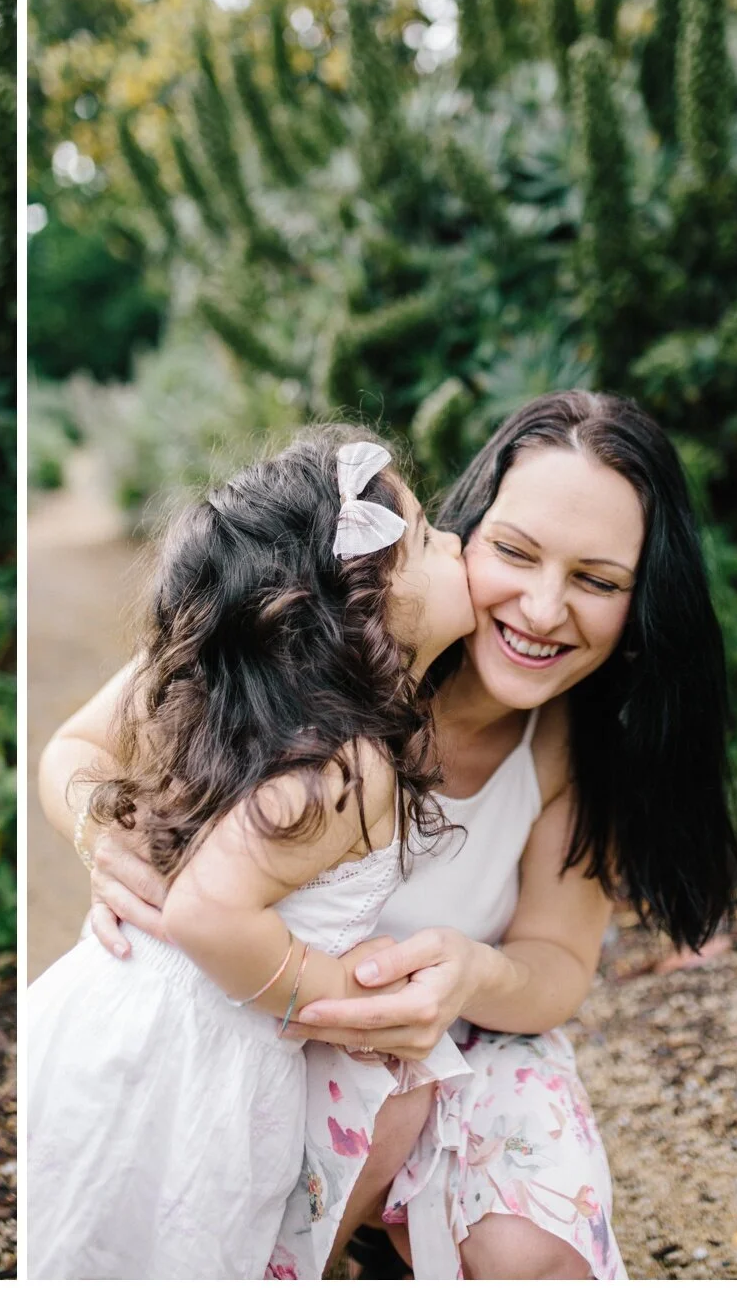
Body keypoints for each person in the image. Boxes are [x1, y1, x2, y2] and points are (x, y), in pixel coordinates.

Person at [40, 392, 737, 1279]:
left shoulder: (583, 746)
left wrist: (472, 972)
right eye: (515, 552)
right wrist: (108, 835)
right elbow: (78, 749)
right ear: (465, 532)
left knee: (533, 1260)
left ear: (645, 604)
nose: (541, 607)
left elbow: (555, 968)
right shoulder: (318, 642)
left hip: (439, 1039)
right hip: (255, 1020)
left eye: (598, 582)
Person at [29, 430, 476, 1277]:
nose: (455, 539)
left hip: (135, 1019)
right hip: (188, 1053)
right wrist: (338, 994)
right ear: (358, 608)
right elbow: (204, 909)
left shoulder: (292, 710)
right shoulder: (347, 764)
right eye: (424, 538)